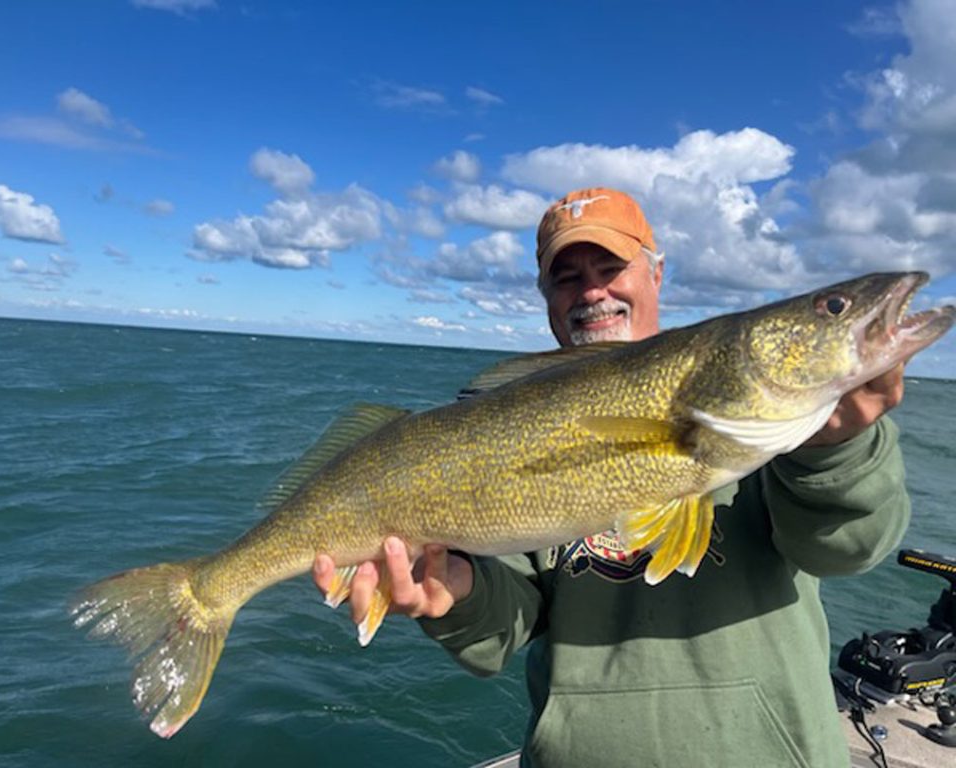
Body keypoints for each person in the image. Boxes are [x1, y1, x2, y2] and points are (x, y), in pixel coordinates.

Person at [313, 187, 911, 767]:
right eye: (567, 277)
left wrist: (836, 448)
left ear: (656, 273)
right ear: (545, 292)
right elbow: (506, 626)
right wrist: (454, 593)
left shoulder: (786, 432)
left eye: (611, 266)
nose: (592, 291)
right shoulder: (513, 415)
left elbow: (847, 549)